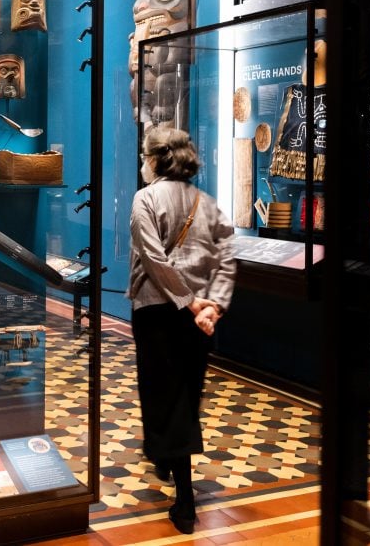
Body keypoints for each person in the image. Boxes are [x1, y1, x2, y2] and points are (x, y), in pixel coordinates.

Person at [128, 127, 236, 534]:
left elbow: (153, 258)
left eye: (145, 155)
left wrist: (189, 301)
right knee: (186, 395)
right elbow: (228, 255)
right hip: (197, 318)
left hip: (158, 312)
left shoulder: (146, 198)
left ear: (155, 159)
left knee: (161, 394)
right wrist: (214, 307)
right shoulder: (206, 203)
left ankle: (185, 501)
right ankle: (163, 458)